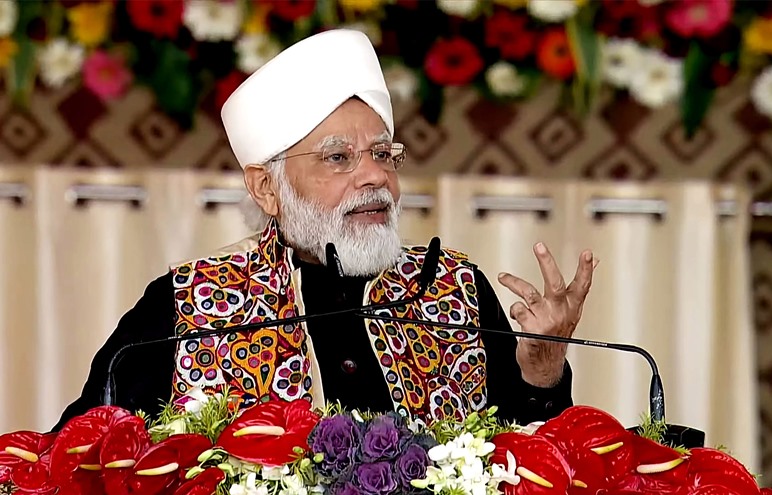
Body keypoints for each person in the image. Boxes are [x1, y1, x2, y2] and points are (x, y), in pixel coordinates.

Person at [55, 29, 596, 431]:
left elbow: (537, 462)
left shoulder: (454, 291)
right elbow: (80, 457)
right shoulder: (189, 306)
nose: (374, 177)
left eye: (383, 154)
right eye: (338, 158)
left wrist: (542, 371)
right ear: (267, 189)